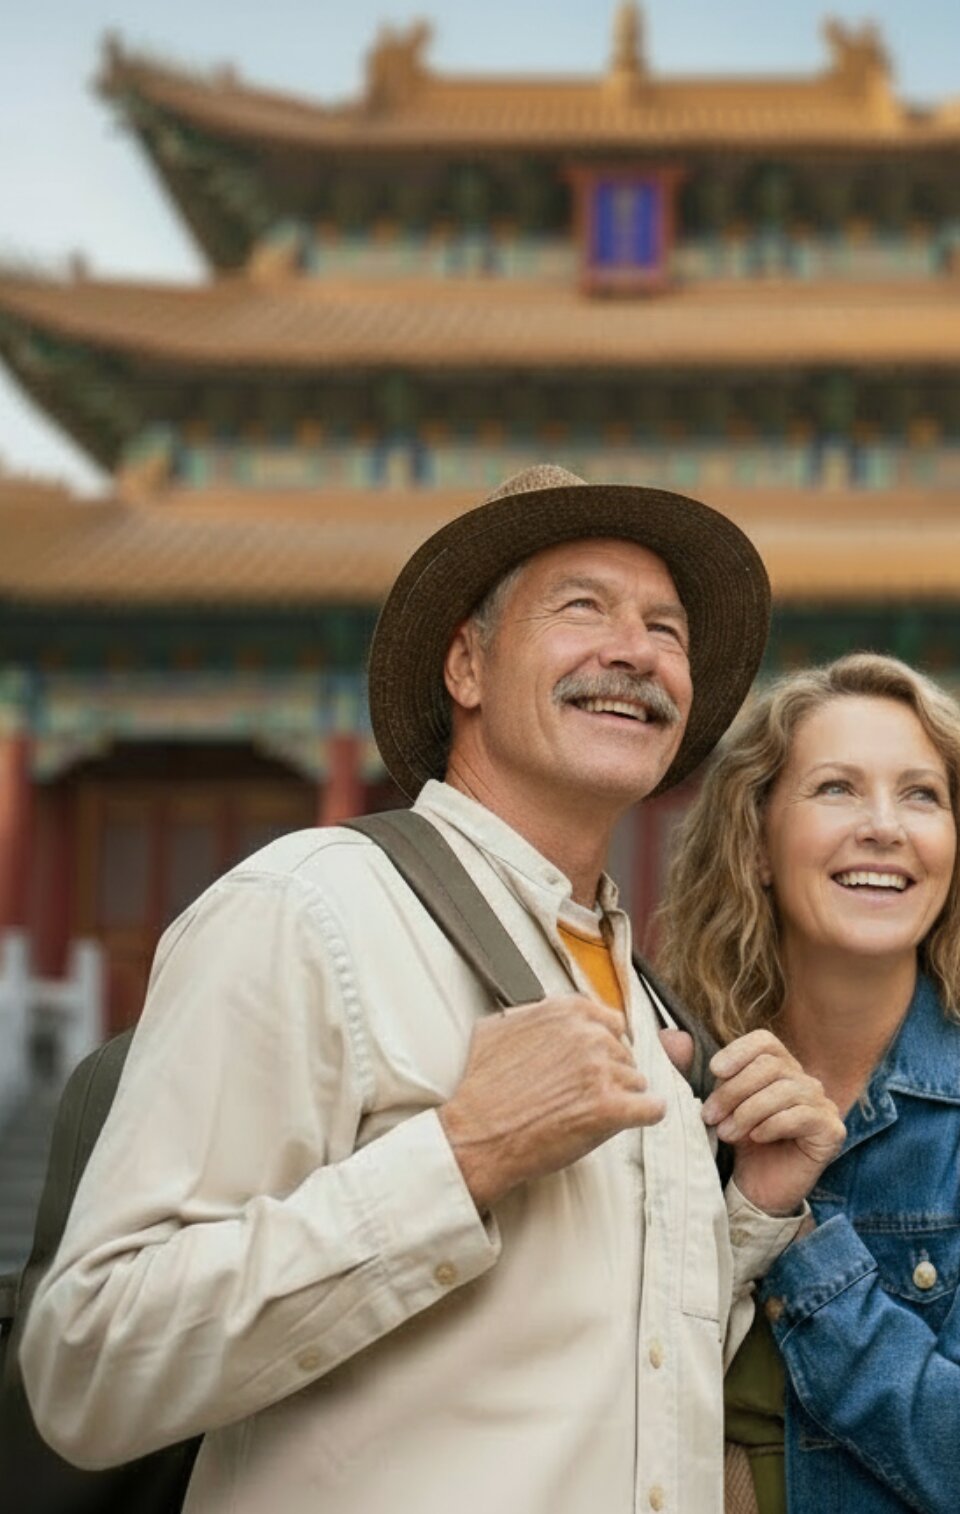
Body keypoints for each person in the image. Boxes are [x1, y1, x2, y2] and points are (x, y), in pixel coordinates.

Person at [20, 465, 844, 1514]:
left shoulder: (649, 1002)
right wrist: (459, 1156)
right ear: (466, 662)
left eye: (666, 629)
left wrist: (747, 1212)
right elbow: (89, 1362)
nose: (635, 651)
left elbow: (611, 1362)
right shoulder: (308, 909)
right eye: (582, 606)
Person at [657, 652, 960, 1514]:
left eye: (922, 795)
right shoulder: (681, 1083)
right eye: (836, 789)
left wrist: (798, 1233)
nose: (885, 826)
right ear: (755, 846)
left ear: (957, 849)